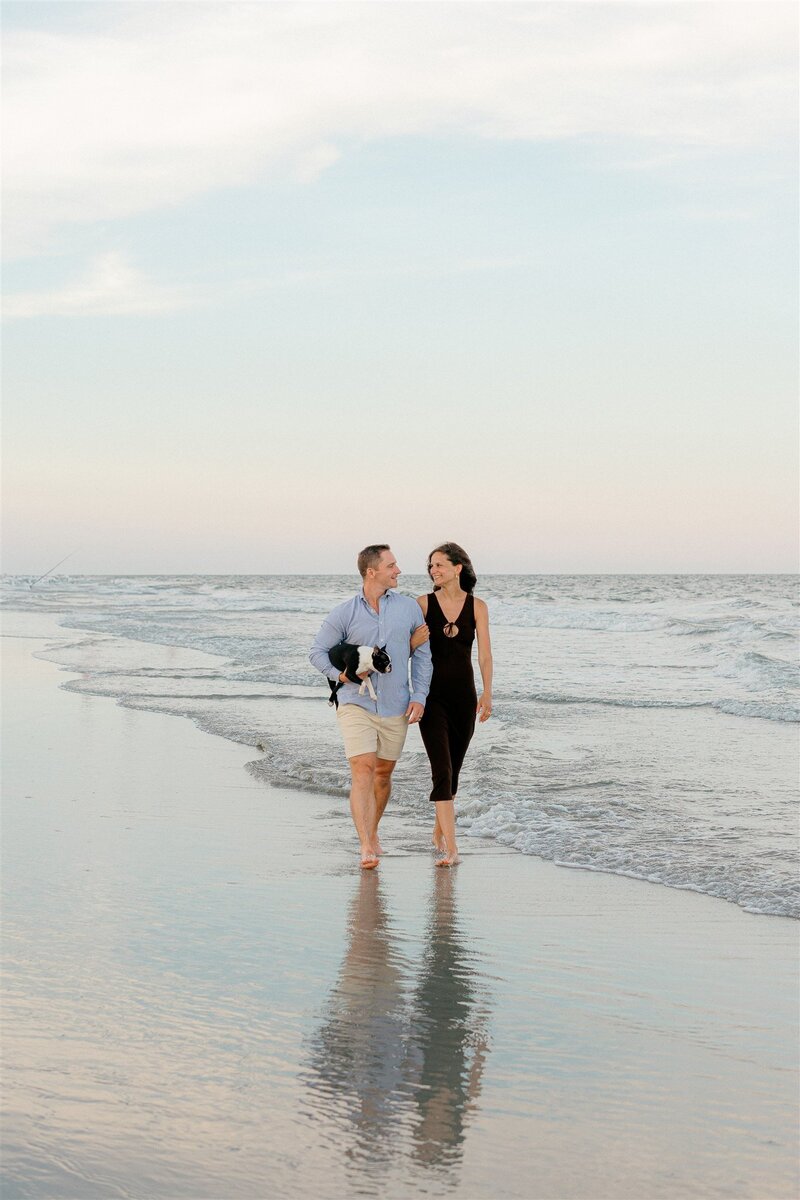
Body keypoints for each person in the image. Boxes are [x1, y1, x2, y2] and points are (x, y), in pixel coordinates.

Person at [310, 545, 432, 869]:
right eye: (392, 565)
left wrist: (420, 696)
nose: (399, 570)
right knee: (362, 767)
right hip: (355, 702)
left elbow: (422, 657)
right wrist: (340, 676)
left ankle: (372, 830)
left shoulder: (409, 609)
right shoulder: (344, 613)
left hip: (396, 704)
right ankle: (365, 845)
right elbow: (317, 652)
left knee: (383, 774)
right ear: (372, 571)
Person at [414, 542, 493, 866]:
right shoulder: (422, 604)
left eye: (440, 565)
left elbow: (485, 654)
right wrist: (411, 642)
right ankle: (451, 848)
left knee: (454, 772)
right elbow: (403, 645)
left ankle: (438, 830)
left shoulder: (477, 606)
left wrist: (487, 692)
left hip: (464, 698)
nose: (434, 570)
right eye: (431, 566)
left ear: (457, 568)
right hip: (431, 699)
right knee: (442, 772)